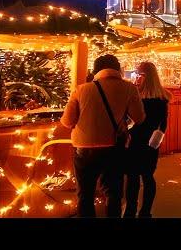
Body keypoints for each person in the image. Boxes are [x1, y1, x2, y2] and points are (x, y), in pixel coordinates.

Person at [60, 54, 145, 217]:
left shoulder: (81, 89)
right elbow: (139, 118)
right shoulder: (129, 88)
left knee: (85, 195)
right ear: (117, 69)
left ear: (95, 70)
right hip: (114, 147)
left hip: (84, 149)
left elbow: (67, 121)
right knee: (113, 194)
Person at [124, 62, 171, 218]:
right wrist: (155, 142)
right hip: (150, 142)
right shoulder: (161, 97)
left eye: (139, 74)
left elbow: (130, 119)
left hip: (135, 140)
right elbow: (163, 124)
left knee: (132, 177)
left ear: (144, 76)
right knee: (148, 176)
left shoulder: (135, 94)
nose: (136, 77)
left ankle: (130, 210)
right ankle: (145, 211)